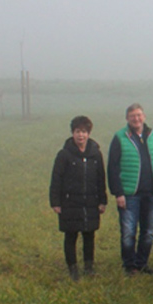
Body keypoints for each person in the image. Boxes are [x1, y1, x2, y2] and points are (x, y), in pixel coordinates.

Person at [49, 115, 107, 280]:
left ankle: (89, 267)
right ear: (72, 133)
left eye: (83, 132)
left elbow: (101, 179)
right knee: (71, 235)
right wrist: (55, 203)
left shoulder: (96, 154)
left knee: (89, 235)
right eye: (77, 132)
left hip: (91, 202)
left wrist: (102, 201)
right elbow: (56, 179)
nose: (80, 135)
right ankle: (73, 268)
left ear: (88, 133)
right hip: (70, 202)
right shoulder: (64, 155)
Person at [108, 103, 153, 275]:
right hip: (129, 195)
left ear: (144, 116)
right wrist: (118, 193)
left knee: (148, 232)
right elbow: (112, 167)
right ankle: (129, 265)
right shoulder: (120, 137)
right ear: (127, 119)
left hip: (152, 194)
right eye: (132, 116)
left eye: (139, 115)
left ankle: (142, 263)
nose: (136, 119)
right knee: (128, 232)